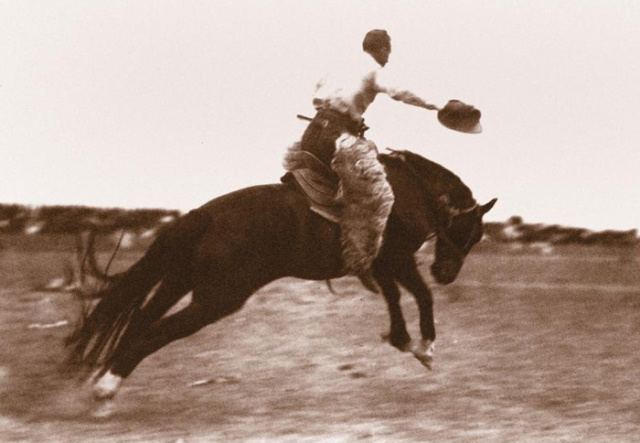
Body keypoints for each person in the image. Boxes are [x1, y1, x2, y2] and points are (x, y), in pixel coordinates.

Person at [283, 29, 447, 293]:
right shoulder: (374, 70)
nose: (388, 58)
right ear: (381, 49)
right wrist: (440, 106)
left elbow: (317, 92)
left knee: (336, 189)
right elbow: (401, 91)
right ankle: (362, 261)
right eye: (388, 52)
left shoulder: (339, 66)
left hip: (312, 134)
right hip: (336, 137)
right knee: (380, 195)